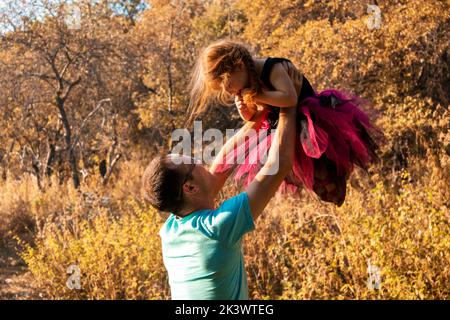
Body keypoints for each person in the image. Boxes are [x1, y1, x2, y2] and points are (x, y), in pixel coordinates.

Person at [187, 40, 384, 206]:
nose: (228, 91)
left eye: (227, 85)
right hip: (281, 127)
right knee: (313, 178)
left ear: (239, 66)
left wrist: (258, 95)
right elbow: (257, 116)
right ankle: (331, 189)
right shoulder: (245, 83)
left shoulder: (273, 67)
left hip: (308, 122)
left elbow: (289, 98)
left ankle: (337, 183)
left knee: (325, 167)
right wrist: (246, 110)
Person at [141, 102, 297, 299]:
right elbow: (280, 163)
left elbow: (221, 166)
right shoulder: (218, 228)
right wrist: (288, 103)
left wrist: (262, 116)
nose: (200, 161)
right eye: (193, 161)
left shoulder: (171, 229)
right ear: (190, 188)